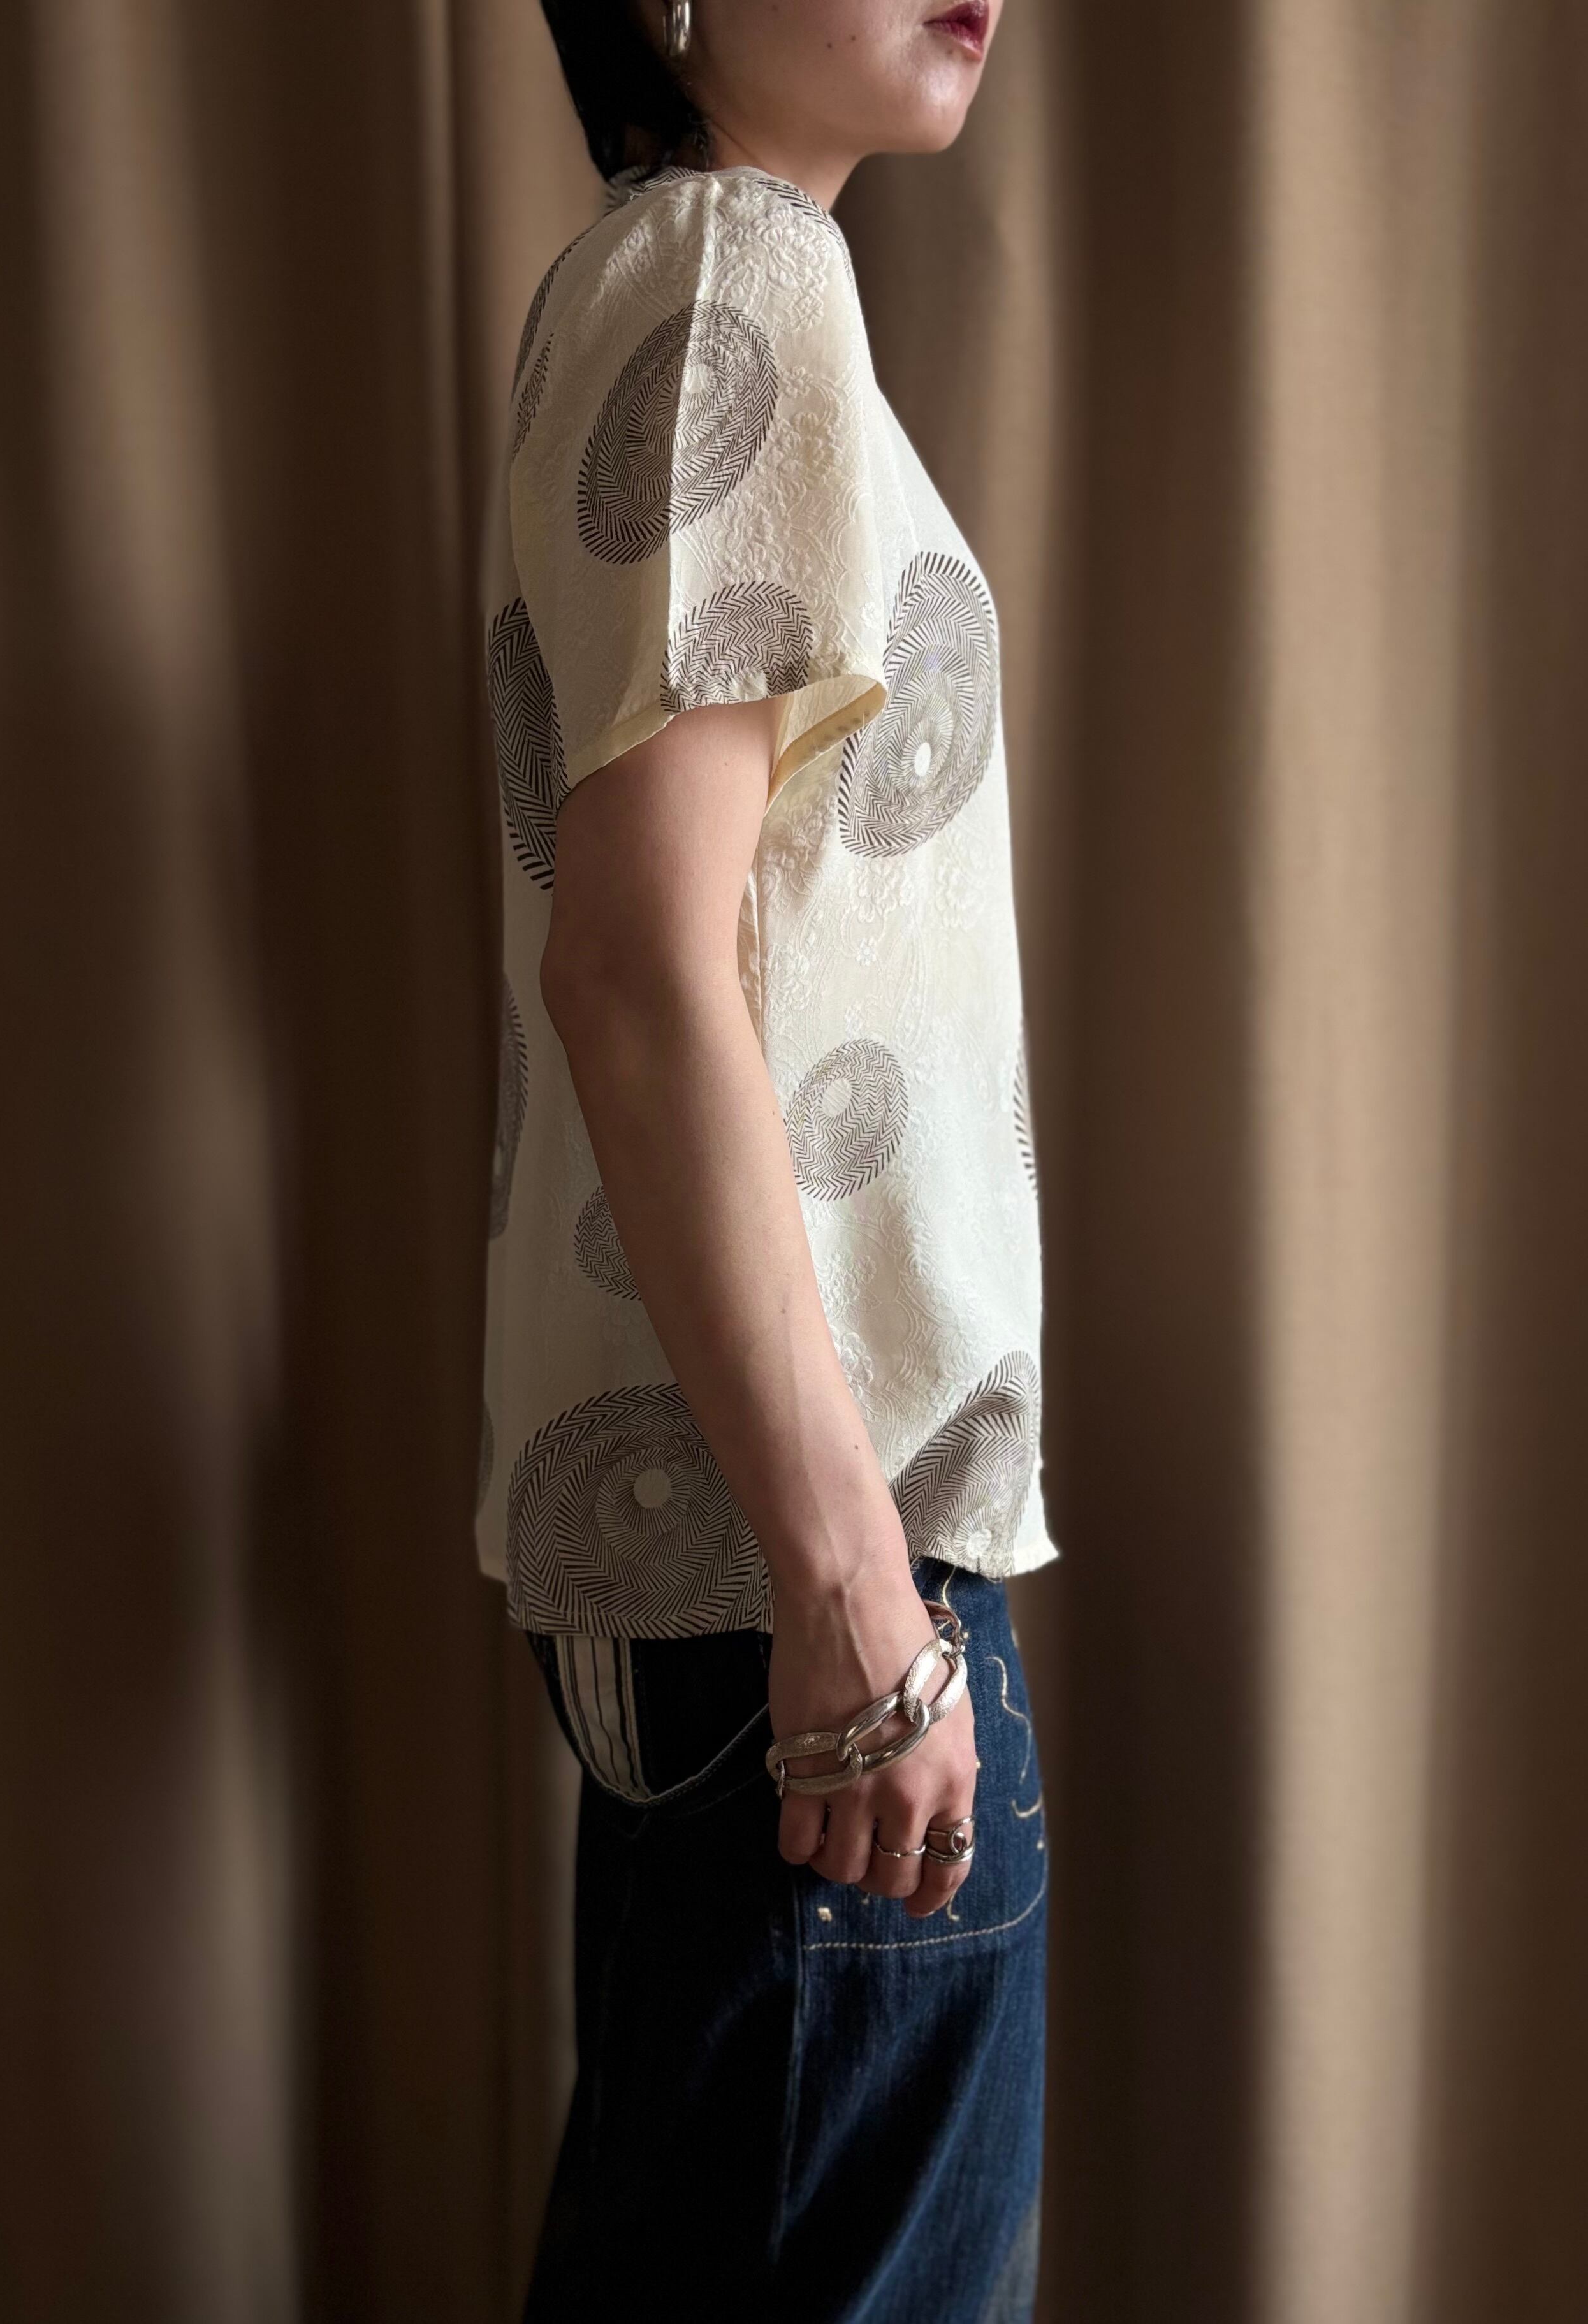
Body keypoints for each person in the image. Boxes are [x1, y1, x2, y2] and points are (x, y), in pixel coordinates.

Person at [476, 3, 1055, 2314]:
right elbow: (634, 971)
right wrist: (854, 1599)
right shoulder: (737, 271)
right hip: (816, 1586)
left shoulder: (685, 274)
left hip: (776, 1585)